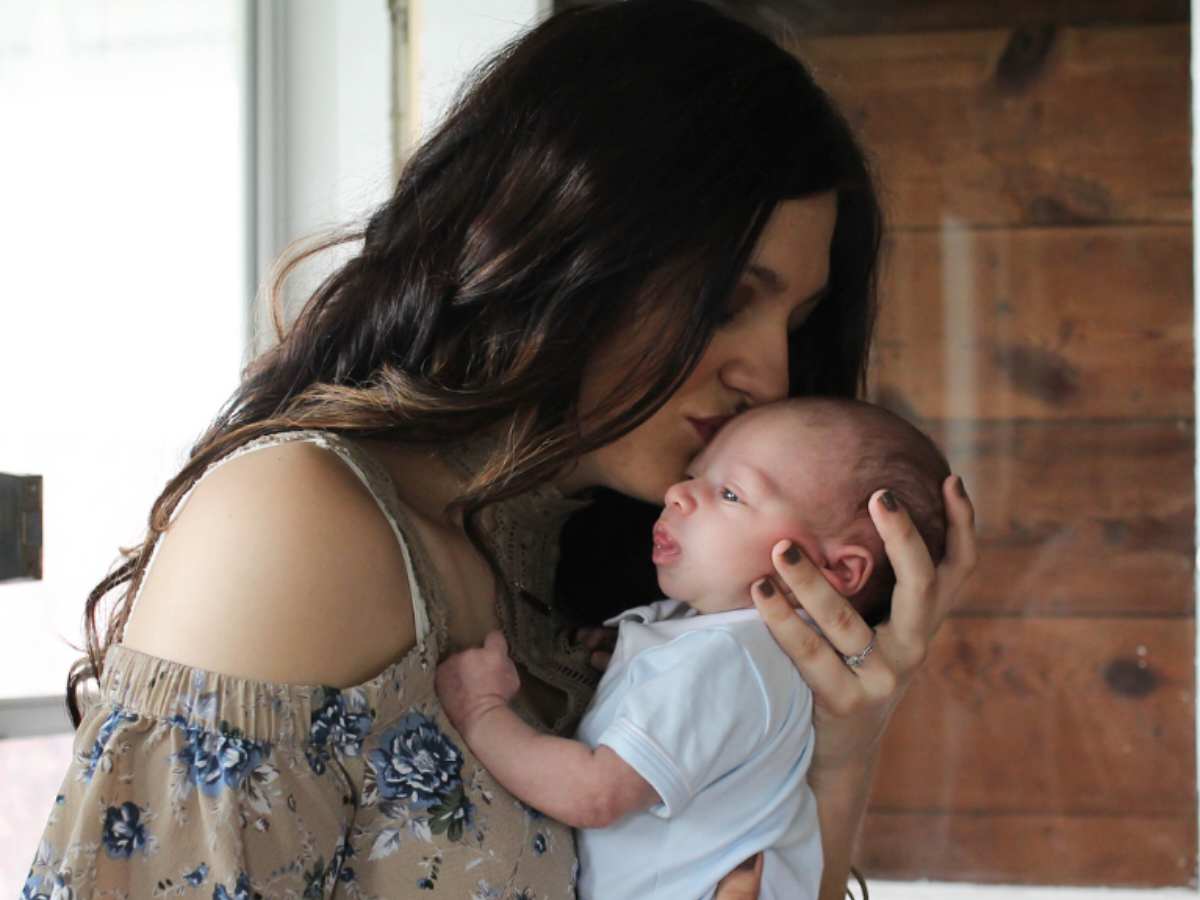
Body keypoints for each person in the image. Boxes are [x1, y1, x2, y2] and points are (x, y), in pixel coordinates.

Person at [24, 2, 977, 899]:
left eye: (796, 320)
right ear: (570, 246)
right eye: (728, 300)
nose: (769, 376)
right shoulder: (301, 523)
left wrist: (844, 740)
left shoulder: (597, 579)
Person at [434, 397, 950, 899]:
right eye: (694, 474)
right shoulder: (739, 644)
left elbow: (595, 794)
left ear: (837, 571)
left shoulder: (726, 658)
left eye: (731, 494)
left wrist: (482, 713)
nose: (679, 494)